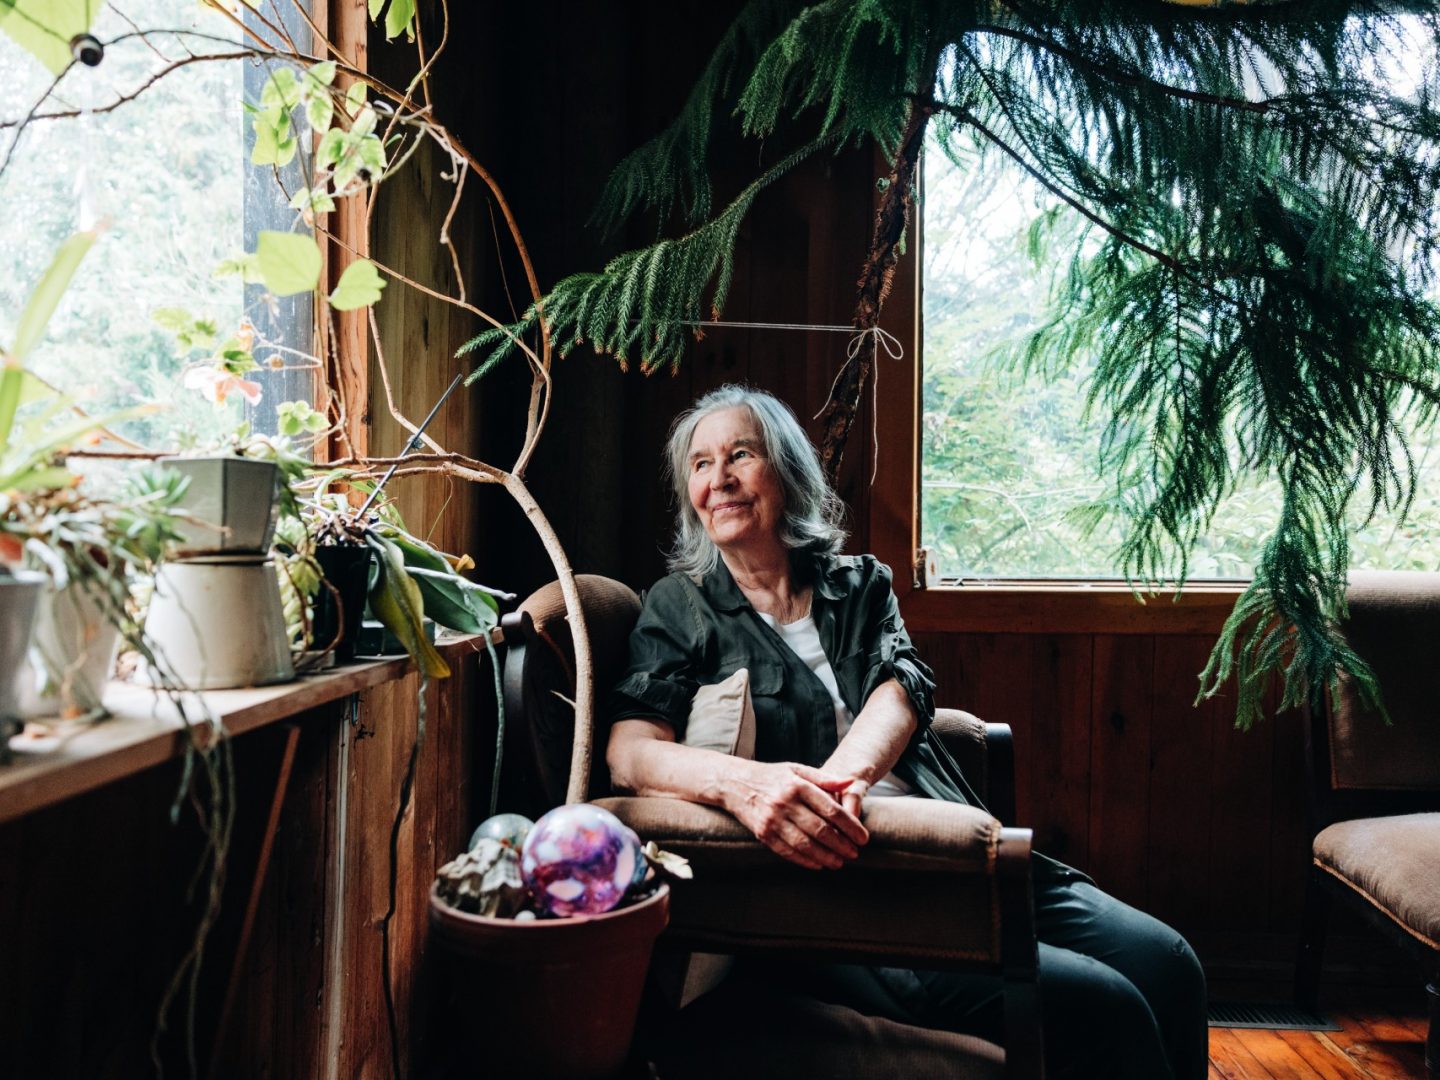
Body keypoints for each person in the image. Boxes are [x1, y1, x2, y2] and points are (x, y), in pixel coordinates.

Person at [607, 384, 1207, 1079]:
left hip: (956, 843)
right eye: (702, 465)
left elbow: (904, 686)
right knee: (1105, 1006)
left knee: (1169, 964)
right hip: (852, 886)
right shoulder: (679, 607)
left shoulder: (859, 584)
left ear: (786, 473)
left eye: (742, 454)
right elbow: (629, 749)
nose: (721, 480)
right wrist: (747, 785)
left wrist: (850, 775)